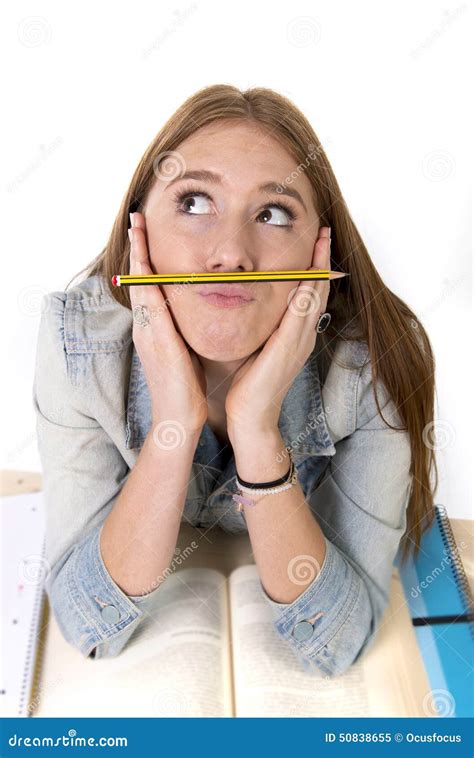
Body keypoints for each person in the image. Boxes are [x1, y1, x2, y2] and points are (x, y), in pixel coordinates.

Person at [32, 84, 437, 676]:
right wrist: (176, 421)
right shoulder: (80, 344)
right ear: (139, 232)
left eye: (273, 214)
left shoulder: (375, 362)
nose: (230, 254)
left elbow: (341, 638)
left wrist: (256, 427)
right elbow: (88, 623)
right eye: (195, 202)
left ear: (320, 254)